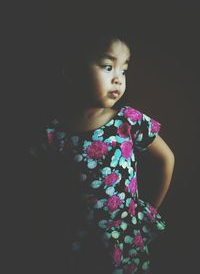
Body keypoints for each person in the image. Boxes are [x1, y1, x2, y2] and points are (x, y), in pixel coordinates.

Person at [30, 28, 175, 274]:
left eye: (124, 70)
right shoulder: (54, 132)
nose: (118, 78)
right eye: (108, 67)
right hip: (76, 238)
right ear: (72, 72)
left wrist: (150, 209)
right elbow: (39, 181)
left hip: (124, 234)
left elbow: (167, 159)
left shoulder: (128, 120)